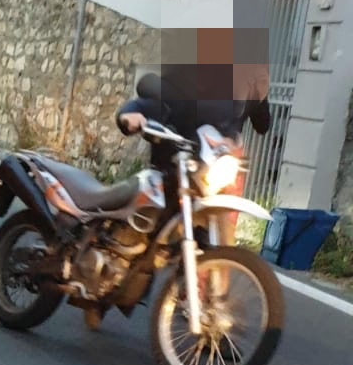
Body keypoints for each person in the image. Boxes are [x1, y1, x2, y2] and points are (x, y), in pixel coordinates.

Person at [115, 61, 272, 246]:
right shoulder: (182, 92)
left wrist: (260, 98)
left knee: (221, 237)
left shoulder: (247, 87)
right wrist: (128, 116)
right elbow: (143, 105)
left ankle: (218, 267)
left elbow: (262, 125)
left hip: (216, 172)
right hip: (175, 173)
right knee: (161, 234)